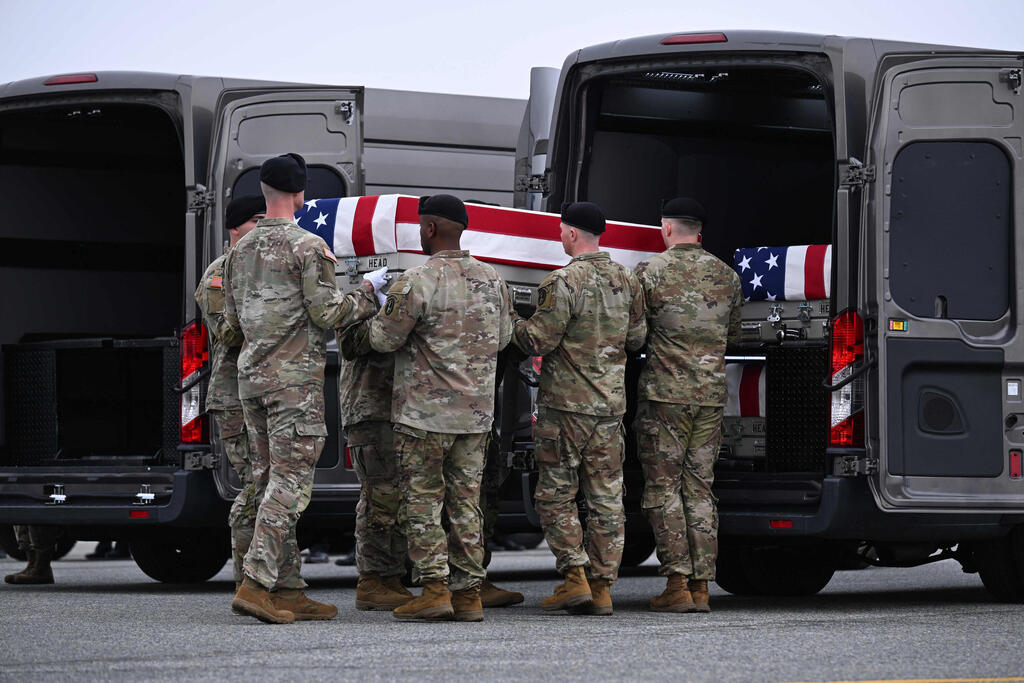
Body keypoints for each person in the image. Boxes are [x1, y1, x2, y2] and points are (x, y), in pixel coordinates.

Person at [221, 153, 385, 624]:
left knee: (267, 482)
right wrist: (369, 293)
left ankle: (288, 589)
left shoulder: (238, 252)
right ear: (299, 194)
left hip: (252, 381)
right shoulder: (308, 246)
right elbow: (328, 313)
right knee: (290, 486)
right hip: (293, 386)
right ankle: (256, 584)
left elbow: (230, 326)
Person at [356, 194, 512, 622]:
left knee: (423, 503)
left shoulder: (416, 281)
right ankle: (469, 595)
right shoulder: (493, 280)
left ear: (429, 228)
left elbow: (382, 340)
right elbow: (502, 339)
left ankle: (434, 589)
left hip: (424, 418)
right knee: (466, 504)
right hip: (475, 418)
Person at [512, 201, 646, 616]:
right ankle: (602, 587)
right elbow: (637, 338)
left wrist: (511, 322)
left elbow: (538, 340)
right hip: (609, 408)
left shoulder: (563, 281)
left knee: (556, 494)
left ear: (571, 233)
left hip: (565, 409)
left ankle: (575, 577)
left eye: (561, 230)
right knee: (607, 498)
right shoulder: (627, 279)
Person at [633, 197, 742, 614]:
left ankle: (676, 582)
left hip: (665, 397)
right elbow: (733, 335)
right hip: (710, 397)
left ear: (666, 228)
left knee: (664, 489)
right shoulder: (727, 275)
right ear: (700, 231)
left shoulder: (650, 272)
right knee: (699, 488)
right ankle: (701, 586)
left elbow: (634, 335)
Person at [194, 194, 265, 594]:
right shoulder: (219, 274)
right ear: (235, 227)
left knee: (271, 483)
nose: (263, 227)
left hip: (261, 392)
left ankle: (274, 579)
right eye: (256, 220)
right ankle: (247, 578)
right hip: (233, 395)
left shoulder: (261, 268)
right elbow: (228, 332)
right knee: (255, 484)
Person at [335, 319, 413, 611]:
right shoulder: (360, 299)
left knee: (401, 498)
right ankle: (373, 581)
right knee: (379, 497)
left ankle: (391, 577)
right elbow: (349, 341)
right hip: (371, 408)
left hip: (401, 407)